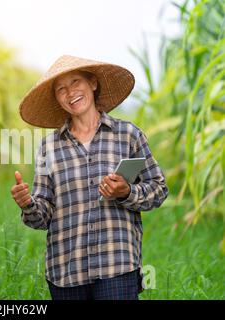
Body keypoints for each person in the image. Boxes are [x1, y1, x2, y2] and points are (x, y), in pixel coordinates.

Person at [11, 55, 169, 300]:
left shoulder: (128, 135)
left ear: (93, 83)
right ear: (57, 99)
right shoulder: (48, 148)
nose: (70, 92)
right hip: (66, 271)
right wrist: (28, 204)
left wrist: (127, 192)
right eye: (61, 89)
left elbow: (159, 189)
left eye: (75, 82)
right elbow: (42, 217)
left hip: (117, 265)